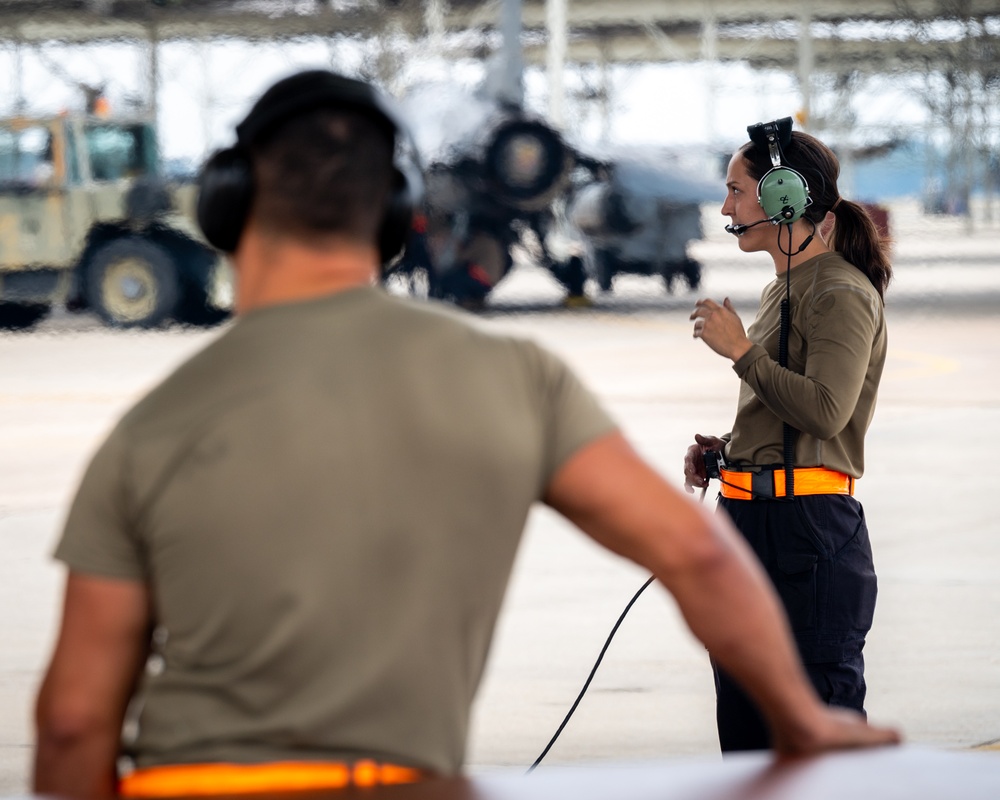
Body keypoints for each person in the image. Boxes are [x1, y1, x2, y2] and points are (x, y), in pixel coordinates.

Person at [34, 74, 899, 799]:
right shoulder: (512, 378)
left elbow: (74, 721)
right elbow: (701, 560)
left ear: (227, 210)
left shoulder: (153, 430)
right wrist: (798, 718)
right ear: (396, 215)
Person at [685, 117, 892, 753]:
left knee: (814, 735)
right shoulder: (783, 288)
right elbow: (784, 408)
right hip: (753, 522)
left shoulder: (839, 292)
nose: (725, 207)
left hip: (808, 532)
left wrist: (740, 351)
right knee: (746, 727)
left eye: (736, 190)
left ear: (783, 198)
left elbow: (828, 411)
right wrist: (730, 450)